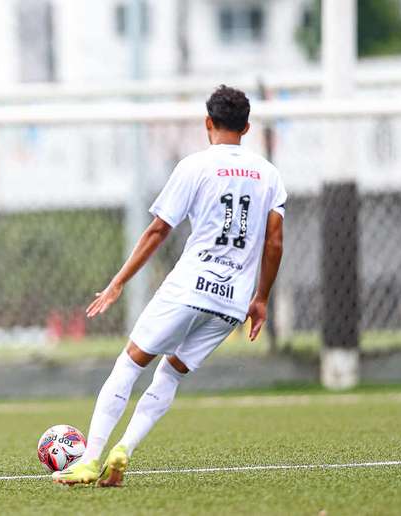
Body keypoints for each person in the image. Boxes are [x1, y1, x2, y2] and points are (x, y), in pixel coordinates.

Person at [53, 85, 286, 487]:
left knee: (129, 364)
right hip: (232, 301)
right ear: (247, 127)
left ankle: (91, 459)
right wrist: (261, 298)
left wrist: (117, 282)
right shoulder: (269, 174)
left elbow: (159, 229)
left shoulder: (195, 166)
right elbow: (275, 240)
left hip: (188, 288)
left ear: (208, 123)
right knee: (170, 375)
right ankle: (123, 449)